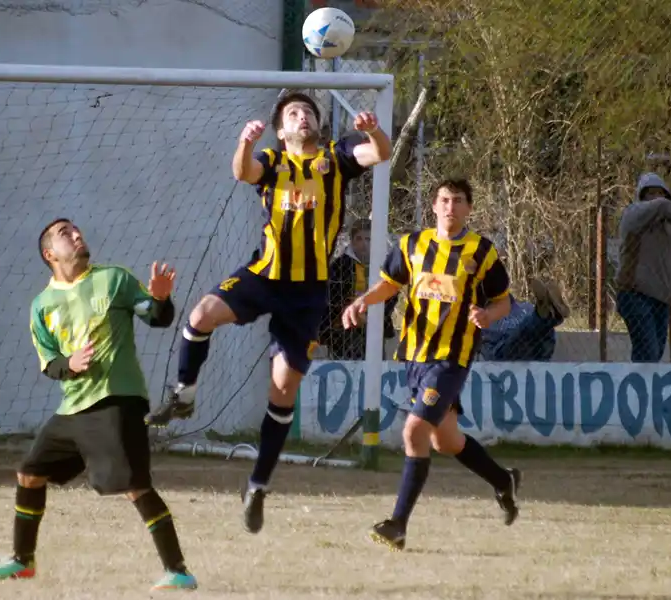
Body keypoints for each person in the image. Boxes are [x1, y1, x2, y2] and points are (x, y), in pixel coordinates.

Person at [146, 92, 392, 534]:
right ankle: (184, 393)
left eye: (309, 112)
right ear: (281, 129)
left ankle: (258, 484)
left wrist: (372, 128)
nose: (303, 117)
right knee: (201, 314)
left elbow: (380, 152)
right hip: (265, 273)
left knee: (283, 387)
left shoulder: (337, 158)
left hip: (308, 292)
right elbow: (243, 172)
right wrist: (244, 142)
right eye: (294, 114)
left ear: (319, 123)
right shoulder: (272, 161)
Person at [0, 218, 197, 591]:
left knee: (134, 486)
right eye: (66, 234)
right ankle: (22, 560)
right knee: (30, 473)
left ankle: (179, 571)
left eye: (77, 230)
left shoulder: (114, 279)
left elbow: (158, 319)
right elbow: (50, 364)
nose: (77, 235)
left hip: (117, 399)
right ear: (50, 254)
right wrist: (71, 364)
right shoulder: (41, 306)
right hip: (72, 408)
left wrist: (161, 298)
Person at [341, 178, 521, 551]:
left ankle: (398, 525)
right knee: (445, 440)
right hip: (415, 356)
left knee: (414, 431)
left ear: (469, 208)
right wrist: (362, 302)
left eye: (458, 201)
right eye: (444, 200)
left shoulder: (482, 252)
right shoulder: (412, 244)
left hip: (452, 358)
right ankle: (503, 480)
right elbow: (391, 284)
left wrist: (488, 315)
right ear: (433, 207)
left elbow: (505, 301)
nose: (450, 207)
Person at [615, 172, 671, 362]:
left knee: (654, 356)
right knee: (647, 352)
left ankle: (644, 391)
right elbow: (661, 207)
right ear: (641, 196)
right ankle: (637, 391)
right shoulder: (633, 215)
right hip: (636, 294)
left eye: (660, 193)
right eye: (650, 193)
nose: (656, 198)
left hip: (662, 300)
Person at [319, 218, 398, 360]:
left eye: (368, 239)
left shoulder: (383, 264)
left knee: (376, 363)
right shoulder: (340, 265)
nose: (364, 244)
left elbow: (392, 294)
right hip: (344, 328)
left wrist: (372, 315)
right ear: (352, 241)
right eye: (359, 239)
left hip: (375, 325)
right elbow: (331, 298)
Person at [478, 279, 570, 362]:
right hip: (508, 359)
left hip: (527, 356)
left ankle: (548, 315)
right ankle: (550, 316)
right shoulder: (526, 308)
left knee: (534, 326)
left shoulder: (525, 308)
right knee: (536, 324)